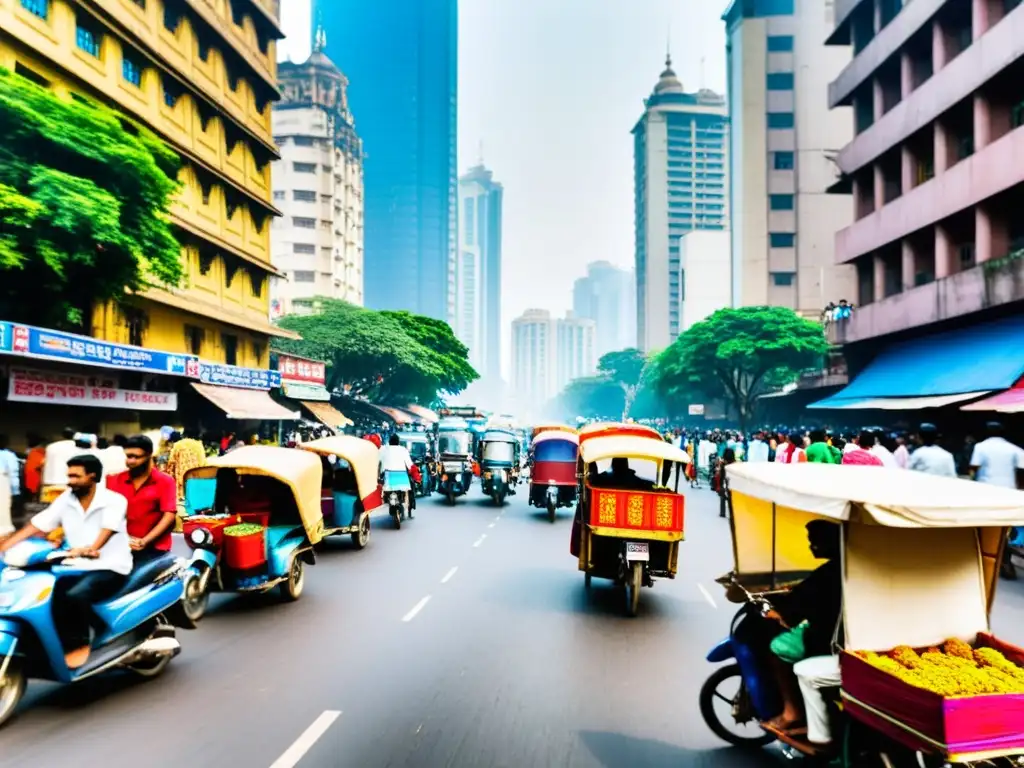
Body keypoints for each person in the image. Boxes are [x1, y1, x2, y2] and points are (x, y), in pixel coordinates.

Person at [0, 454, 131, 668]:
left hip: (109, 566)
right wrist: (6, 546)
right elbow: (38, 526)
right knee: (41, 593)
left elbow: (108, 529)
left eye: (75, 476)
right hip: (73, 564)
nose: (70, 481)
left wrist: (91, 549)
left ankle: (78, 642)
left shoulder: (114, 501)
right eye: (68, 476)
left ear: (93, 476)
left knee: (74, 596)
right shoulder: (66, 500)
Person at [764, 521, 843, 746]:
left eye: (814, 543)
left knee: (776, 647)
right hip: (845, 639)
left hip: (828, 642)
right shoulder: (845, 568)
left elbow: (790, 613)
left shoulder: (826, 574)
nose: (811, 547)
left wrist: (774, 613)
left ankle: (791, 711)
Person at [105, 435, 177, 566]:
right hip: (120, 548)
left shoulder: (165, 481)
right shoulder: (114, 480)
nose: (131, 461)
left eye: (136, 457)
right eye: (128, 456)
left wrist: (145, 541)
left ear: (149, 455)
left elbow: (169, 515)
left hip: (154, 550)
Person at [970, 421, 1024, 489]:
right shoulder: (1015, 449)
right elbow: (1021, 470)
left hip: (986, 485)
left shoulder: (980, 447)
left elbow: (974, 467)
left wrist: (971, 481)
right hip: (1009, 486)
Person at [378, 433, 416, 510]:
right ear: (398, 442)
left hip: (388, 475)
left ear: (389, 442)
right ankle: (407, 504)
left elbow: (377, 460)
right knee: (411, 486)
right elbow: (409, 464)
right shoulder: (403, 449)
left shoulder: (383, 449)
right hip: (402, 476)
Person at [42, 428, 78, 495]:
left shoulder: (50, 446)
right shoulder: (78, 447)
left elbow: (44, 464)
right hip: (69, 484)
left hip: (50, 483)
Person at [591, 457, 655, 491]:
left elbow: (594, 479)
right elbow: (649, 484)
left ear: (613, 465)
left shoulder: (606, 479)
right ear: (626, 464)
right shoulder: (633, 480)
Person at [23, 433, 45, 501]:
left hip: (36, 475)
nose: (29, 441)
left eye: (31, 439)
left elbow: (42, 462)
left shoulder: (40, 450)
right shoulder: (28, 449)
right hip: (28, 474)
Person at [0, 435, 20, 506]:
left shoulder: (9, 454)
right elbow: (13, 473)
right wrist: (15, 491)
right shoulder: (9, 455)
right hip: (6, 487)